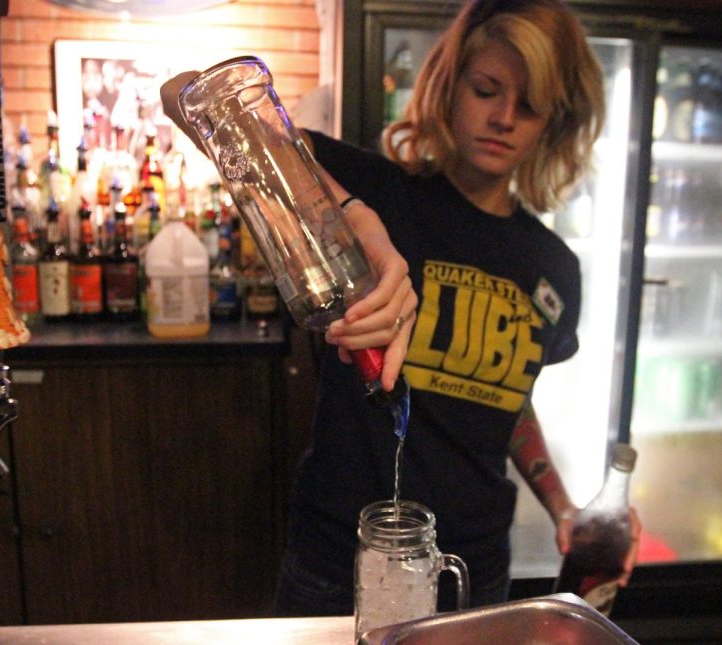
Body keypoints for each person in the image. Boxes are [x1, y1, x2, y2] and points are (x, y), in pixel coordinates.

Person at [161, 0, 641, 616]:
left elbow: (506, 396)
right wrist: (351, 212)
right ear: (448, 85)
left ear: (556, 122)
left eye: (529, 105)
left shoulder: (551, 265)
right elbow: (184, 97)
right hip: (343, 555)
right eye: (487, 89)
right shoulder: (378, 188)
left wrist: (564, 507)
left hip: (471, 569)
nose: (502, 118)